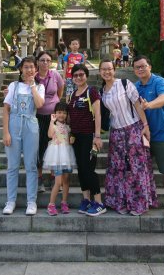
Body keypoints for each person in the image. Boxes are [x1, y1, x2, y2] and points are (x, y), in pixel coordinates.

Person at [99, 58, 157, 216]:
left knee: (136, 168)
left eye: (109, 68)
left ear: (114, 69)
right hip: (116, 133)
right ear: (99, 72)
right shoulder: (101, 92)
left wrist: (145, 126)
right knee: (118, 169)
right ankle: (121, 202)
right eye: (103, 69)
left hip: (133, 129)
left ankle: (139, 204)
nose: (107, 72)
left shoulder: (125, 84)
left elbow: (138, 105)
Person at [133, 55, 164, 220]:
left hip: (163, 133)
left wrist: (148, 105)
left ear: (149, 66)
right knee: (142, 170)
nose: (140, 69)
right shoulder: (135, 87)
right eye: (137, 67)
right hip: (144, 135)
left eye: (143, 66)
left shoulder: (160, 82)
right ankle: (144, 200)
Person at [1, 56, 45, 216]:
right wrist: (5, 132)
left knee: (31, 165)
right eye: (26, 67)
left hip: (30, 126)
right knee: (12, 166)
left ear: (36, 69)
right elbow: (6, 109)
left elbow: (40, 105)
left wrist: (32, 86)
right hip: (13, 124)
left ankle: (31, 201)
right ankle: (10, 201)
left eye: (32, 67)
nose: (29, 70)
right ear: (21, 69)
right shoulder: (13, 86)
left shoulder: (40, 87)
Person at [66, 63, 106, 216]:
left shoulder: (92, 92)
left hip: (89, 136)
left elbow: (98, 115)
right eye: (75, 75)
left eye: (81, 75)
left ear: (86, 76)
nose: (78, 77)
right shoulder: (71, 95)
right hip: (75, 137)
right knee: (81, 170)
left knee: (89, 169)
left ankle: (99, 202)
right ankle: (86, 200)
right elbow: (70, 118)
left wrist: (97, 136)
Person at [35, 51, 65, 192]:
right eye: (42, 60)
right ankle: (39, 178)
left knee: (54, 146)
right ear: (37, 62)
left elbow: (60, 90)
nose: (45, 63)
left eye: (48, 60)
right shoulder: (33, 77)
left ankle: (53, 178)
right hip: (37, 117)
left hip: (53, 118)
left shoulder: (55, 75)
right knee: (39, 147)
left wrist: (55, 103)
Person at [42, 101, 76, 215]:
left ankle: (64, 202)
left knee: (66, 181)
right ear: (55, 113)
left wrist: (72, 139)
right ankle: (51, 204)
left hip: (66, 156)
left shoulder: (68, 127)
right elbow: (50, 135)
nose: (62, 115)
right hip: (56, 156)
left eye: (64, 113)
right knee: (58, 182)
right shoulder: (54, 125)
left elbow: (71, 139)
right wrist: (52, 121)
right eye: (59, 112)